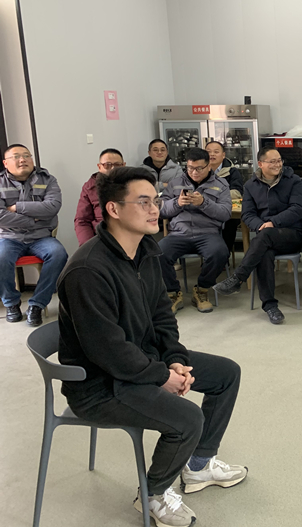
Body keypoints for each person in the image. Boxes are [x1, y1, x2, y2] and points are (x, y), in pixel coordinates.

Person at [58, 167, 246, 527]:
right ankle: (153, 494)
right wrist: (161, 376)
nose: (154, 209)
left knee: (226, 374)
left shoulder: (146, 250)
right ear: (113, 209)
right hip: (99, 385)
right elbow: (107, 350)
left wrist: (174, 359)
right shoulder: (88, 270)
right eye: (143, 202)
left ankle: (198, 465)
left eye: (155, 200)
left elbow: (162, 316)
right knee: (188, 419)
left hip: (142, 360)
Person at [213, 148, 302, 325]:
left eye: (279, 160)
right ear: (261, 164)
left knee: (264, 237)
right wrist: (261, 226)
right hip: (265, 237)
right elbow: (247, 214)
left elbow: (297, 209)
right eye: (272, 161)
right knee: (264, 253)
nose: (277, 164)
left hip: (291, 234)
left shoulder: (293, 180)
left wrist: (272, 223)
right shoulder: (250, 185)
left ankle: (238, 277)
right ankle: (270, 306)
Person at [0, 144, 68, 326]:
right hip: (9, 238)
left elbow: (52, 207)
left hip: (41, 237)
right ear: (5, 163)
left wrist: (17, 207)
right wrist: (33, 220)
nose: (22, 160)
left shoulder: (48, 179)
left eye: (26, 155)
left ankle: (37, 304)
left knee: (58, 254)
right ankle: (11, 303)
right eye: (16, 156)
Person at [159, 148, 231, 314]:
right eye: (190, 168)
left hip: (207, 233)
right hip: (179, 233)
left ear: (208, 166)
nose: (194, 172)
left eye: (199, 168)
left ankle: (201, 290)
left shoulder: (221, 185)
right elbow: (161, 210)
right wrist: (177, 203)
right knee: (157, 253)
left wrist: (204, 203)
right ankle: (172, 293)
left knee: (220, 253)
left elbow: (225, 213)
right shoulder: (175, 183)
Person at [74, 148, 126, 246]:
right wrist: (89, 246)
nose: (112, 169)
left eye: (117, 165)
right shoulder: (90, 187)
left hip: (129, 236)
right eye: (107, 165)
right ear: (99, 167)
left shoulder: (133, 185)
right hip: (100, 238)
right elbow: (82, 221)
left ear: (124, 165)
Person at [205, 141, 244, 253]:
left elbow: (237, 192)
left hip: (226, 209)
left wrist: (213, 195)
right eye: (208, 152)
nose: (212, 154)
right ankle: (208, 254)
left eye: (216, 152)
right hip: (204, 209)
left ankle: (224, 254)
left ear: (223, 155)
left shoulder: (232, 171)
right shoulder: (198, 171)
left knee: (229, 222)